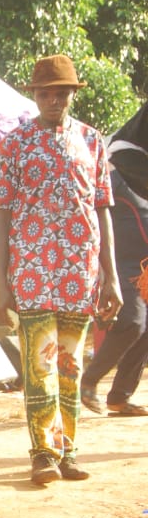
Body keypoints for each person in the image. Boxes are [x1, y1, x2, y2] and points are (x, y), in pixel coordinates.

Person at [0, 54, 122, 485]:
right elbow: (3, 214)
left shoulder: (92, 140)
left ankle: (68, 453)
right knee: (41, 365)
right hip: (30, 271)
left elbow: (102, 209)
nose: (53, 99)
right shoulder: (15, 143)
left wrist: (113, 277)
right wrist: (0, 279)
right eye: (45, 92)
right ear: (35, 95)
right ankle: (43, 454)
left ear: (71, 94)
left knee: (71, 366)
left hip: (78, 271)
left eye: (61, 92)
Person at [79, 115, 148, 417]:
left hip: (143, 265)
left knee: (144, 329)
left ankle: (119, 396)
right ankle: (88, 381)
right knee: (131, 322)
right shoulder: (113, 167)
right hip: (120, 264)